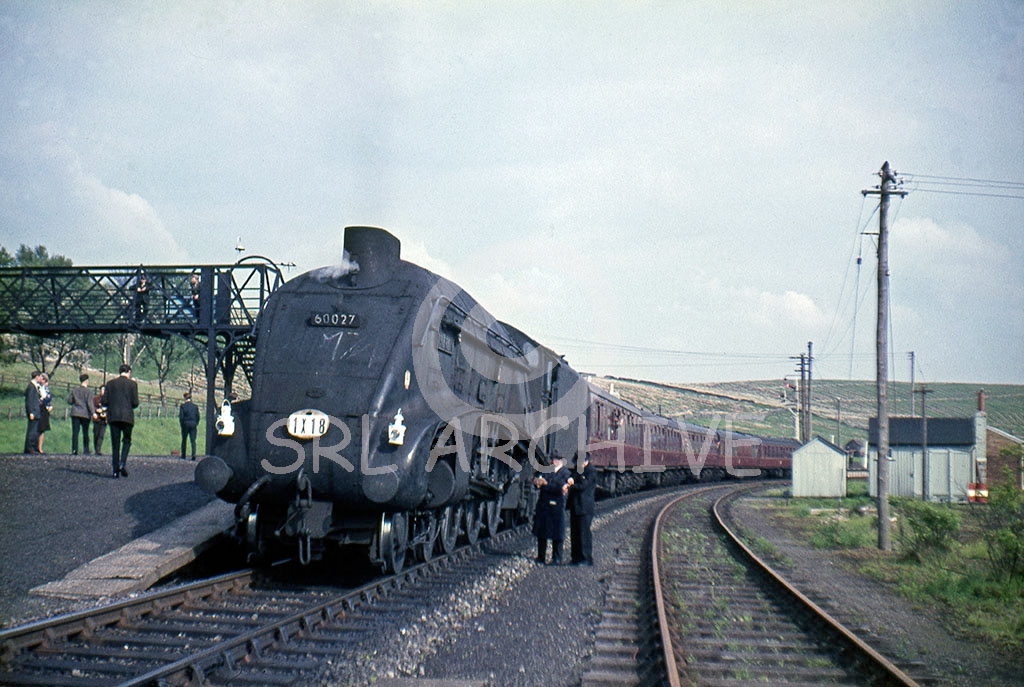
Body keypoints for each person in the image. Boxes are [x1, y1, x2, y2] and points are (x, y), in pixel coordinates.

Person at [532, 454, 574, 565]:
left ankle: (557, 558)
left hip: (557, 506)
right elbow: (539, 481)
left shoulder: (566, 474)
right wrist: (541, 483)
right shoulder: (546, 470)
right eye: (553, 460)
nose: (553, 461)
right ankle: (541, 557)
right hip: (545, 505)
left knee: (558, 534)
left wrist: (546, 485)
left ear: (560, 461)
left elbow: (561, 490)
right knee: (542, 533)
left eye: (555, 460)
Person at [102, 364, 139, 478]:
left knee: (115, 444)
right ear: (129, 372)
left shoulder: (110, 384)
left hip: (114, 417)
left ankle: (115, 470)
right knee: (127, 440)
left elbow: (104, 401)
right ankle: (122, 463)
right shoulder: (133, 384)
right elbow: (135, 403)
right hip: (127, 417)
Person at [568, 454, 597, 566]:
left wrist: (571, 485)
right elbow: (572, 478)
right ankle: (575, 557)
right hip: (575, 505)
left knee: (584, 533)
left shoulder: (591, 471)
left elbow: (583, 485)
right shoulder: (577, 470)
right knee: (574, 532)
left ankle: (587, 558)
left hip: (585, 507)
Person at [68, 373, 95, 455]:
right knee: (85, 432)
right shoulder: (89, 391)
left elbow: (69, 401)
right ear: (86, 381)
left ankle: (74, 449)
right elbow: (90, 403)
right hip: (85, 413)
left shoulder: (74, 390)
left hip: (75, 412)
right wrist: (93, 413)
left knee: (75, 432)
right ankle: (86, 449)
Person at [23, 371, 43, 454]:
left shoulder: (35, 386)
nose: (41, 379)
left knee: (35, 430)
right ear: (37, 377)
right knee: (32, 430)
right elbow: (29, 401)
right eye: (40, 377)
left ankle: (33, 447)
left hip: (36, 411)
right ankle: (29, 448)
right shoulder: (31, 387)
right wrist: (31, 412)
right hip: (33, 412)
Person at [178, 391, 200, 459]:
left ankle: (183, 455)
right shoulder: (195, 406)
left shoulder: (183, 406)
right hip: (193, 424)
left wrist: (182, 424)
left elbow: (181, 417)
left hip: (185, 424)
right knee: (193, 440)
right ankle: (193, 454)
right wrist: (196, 423)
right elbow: (198, 416)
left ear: (185, 398)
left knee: (184, 440)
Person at [35, 373, 52, 454]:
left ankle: (40, 447)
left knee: (42, 429)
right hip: (38, 409)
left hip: (44, 409)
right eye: (42, 379)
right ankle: (34, 446)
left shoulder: (46, 388)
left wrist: (45, 401)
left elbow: (49, 397)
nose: (43, 381)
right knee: (37, 428)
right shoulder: (37, 387)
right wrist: (43, 400)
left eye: (44, 380)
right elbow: (39, 399)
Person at [92, 385, 108, 455]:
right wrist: (96, 411)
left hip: (104, 419)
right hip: (97, 418)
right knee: (96, 434)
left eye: (104, 390)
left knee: (101, 434)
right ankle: (96, 448)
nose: (103, 391)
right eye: (102, 390)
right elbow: (92, 406)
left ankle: (98, 450)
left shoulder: (109, 399)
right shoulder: (95, 398)